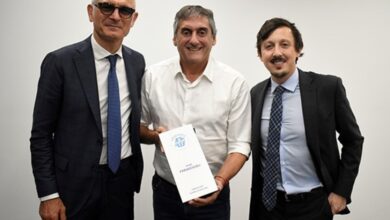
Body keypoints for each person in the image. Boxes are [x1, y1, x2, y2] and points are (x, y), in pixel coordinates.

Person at [30, 0, 145, 219]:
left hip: (121, 180)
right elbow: (41, 135)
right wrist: (48, 195)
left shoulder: (136, 62)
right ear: (91, 12)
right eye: (107, 7)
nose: (115, 16)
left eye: (125, 10)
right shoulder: (59, 62)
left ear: (133, 19)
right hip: (73, 185)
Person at [140, 5, 251, 220]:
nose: (194, 40)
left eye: (202, 32)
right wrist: (156, 137)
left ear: (213, 39)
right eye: (186, 32)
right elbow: (139, 128)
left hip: (213, 193)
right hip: (166, 192)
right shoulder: (152, 76)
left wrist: (219, 182)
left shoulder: (234, 83)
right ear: (174, 38)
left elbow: (240, 145)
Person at [249, 17, 364, 220]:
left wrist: (341, 191)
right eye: (268, 46)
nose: (277, 53)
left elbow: (353, 140)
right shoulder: (255, 94)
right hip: (267, 207)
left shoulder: (327, 88)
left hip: (313, 206)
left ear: (298, 49)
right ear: (260, 54)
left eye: (284, 45)